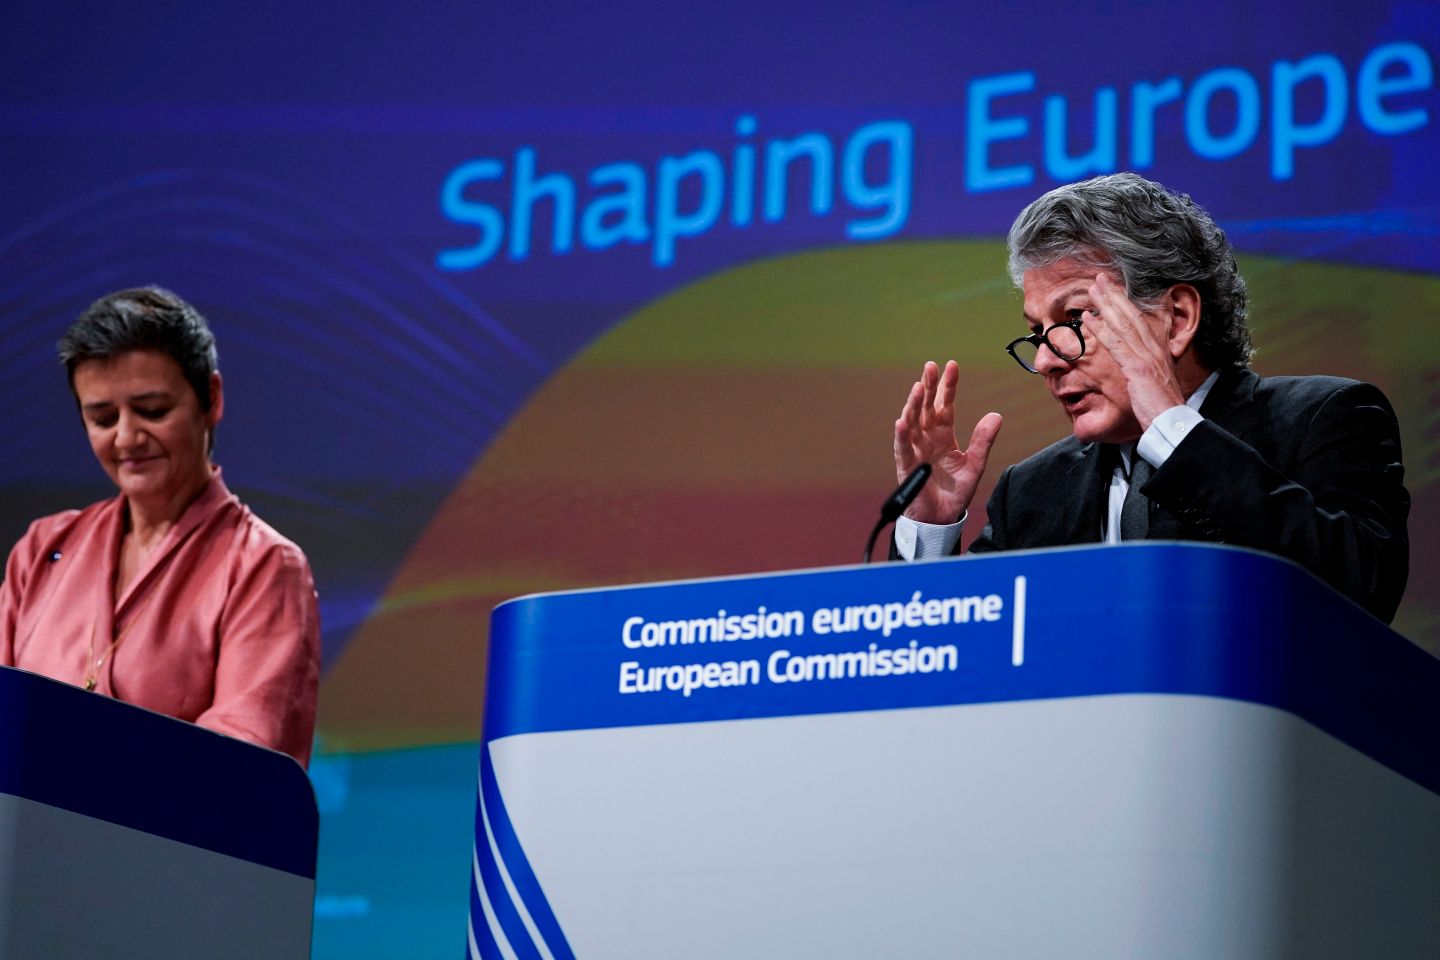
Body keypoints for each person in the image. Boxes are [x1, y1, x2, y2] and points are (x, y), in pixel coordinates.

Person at [892, 172, 1409, 623]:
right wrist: (930, 531)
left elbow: (1360, 593)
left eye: (1074, 319)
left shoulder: (1323, 419)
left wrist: (1173, 430)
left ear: (1177, 319)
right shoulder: (1031, 491)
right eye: (1036, 331)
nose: (1046, 359)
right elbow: (950, 659)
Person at [0, 287, 320, 765]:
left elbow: (240, 766)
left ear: (211, 399)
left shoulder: (264, 567)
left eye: (152, 411)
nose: (127, 438)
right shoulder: (44, 549)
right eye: (102, 418)